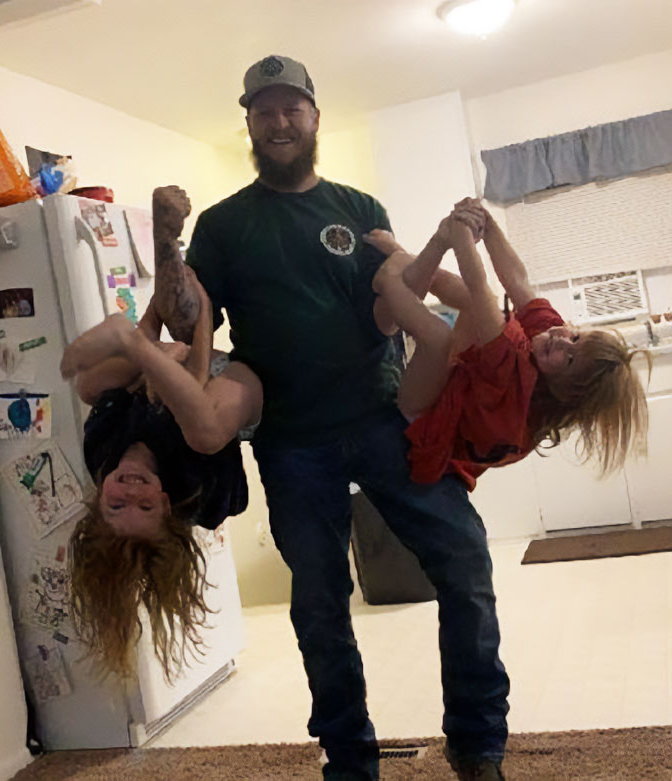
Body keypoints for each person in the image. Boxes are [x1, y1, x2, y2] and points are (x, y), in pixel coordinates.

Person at [181, 55, 510, 781]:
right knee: (320, 603)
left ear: (314, 116)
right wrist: (170, 256)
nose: (279, 121)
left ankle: (478, 741)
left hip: (386, 420)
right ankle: (351, 758)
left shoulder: (359, 210)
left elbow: (392, 301)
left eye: (291, 107)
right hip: (292, 441)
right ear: (249, 123)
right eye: (264, 110)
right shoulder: (224, 225)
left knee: (464, 562)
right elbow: (194, 319)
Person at [61, 186, 262, 680]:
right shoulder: (200, 492)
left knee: (90, 385)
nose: (130, 492)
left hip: (166, 384)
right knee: (205, 428)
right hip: (236, 393)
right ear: (167, 506)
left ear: (97, 502)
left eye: (116, 504)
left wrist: (152, 313)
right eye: (145, 506)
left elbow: (142, 370)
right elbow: (196, 383)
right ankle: (139, 334)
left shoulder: (100, 453)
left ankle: (166, 255)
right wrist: (203, 317)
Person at [364, 201, 649, 488]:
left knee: (440, 337)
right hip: (459, 387)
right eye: (576, 337)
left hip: (423, 423)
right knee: (473, 303)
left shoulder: (515, 379)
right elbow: (518, 280)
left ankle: (388, 280)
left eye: (570, 359)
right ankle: (401, 262)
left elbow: (479, 283)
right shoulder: (551, 337)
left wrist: (459, 230)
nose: (562, 341)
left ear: (565, 391)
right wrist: (485, 222)